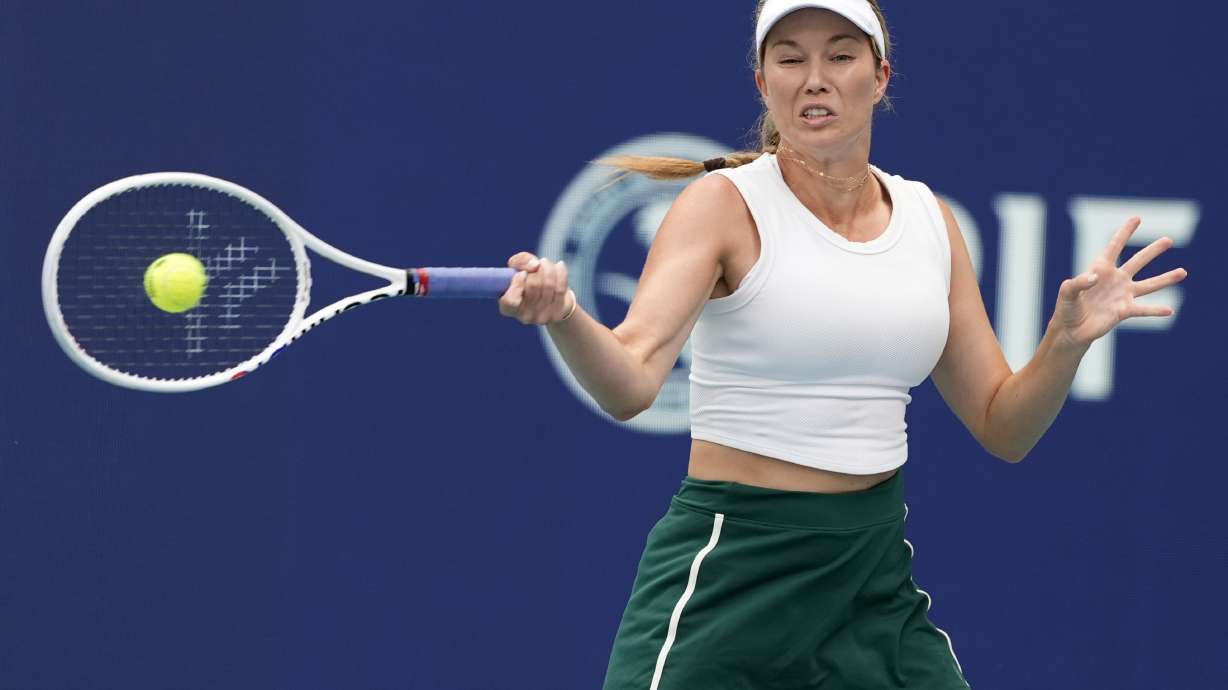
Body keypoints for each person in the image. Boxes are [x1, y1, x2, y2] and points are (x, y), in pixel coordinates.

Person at [498, 0, 1188, 687]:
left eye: (840, 55)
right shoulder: (721, 205)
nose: (815, 78)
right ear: (763, 83)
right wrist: (565, 315)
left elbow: (1003, 426)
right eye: (790, 60)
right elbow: (630, 382)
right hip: (732, 572)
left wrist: (1065, 342)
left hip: (871, 578)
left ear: (880, 77)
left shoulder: (930, 221)